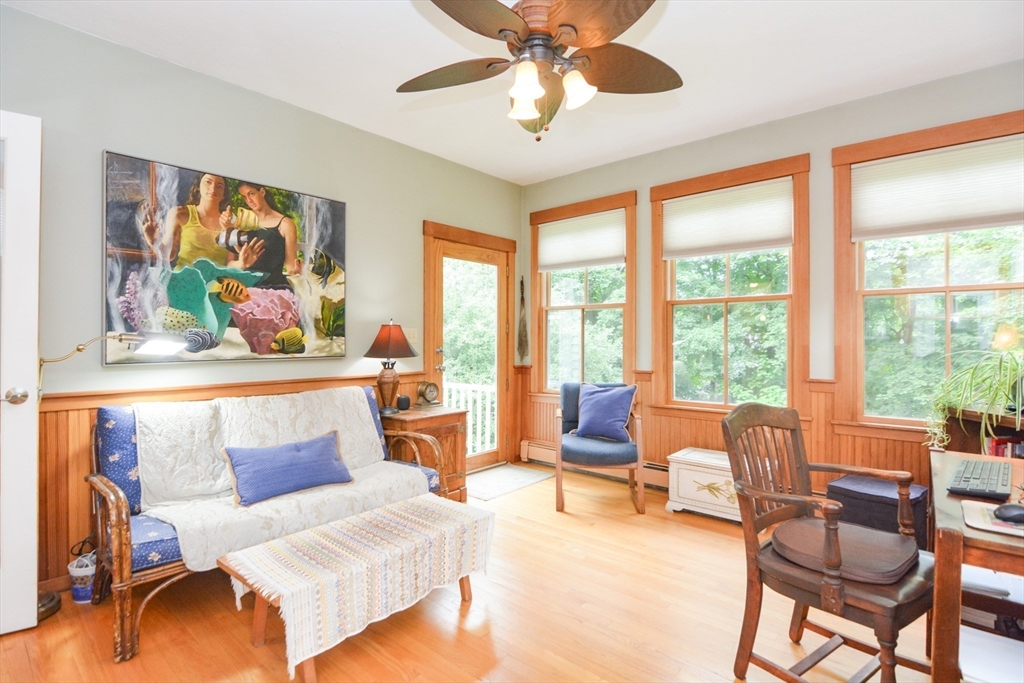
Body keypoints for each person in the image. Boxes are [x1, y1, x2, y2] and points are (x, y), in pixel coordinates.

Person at [143, 173, 264, 270]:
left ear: (223, 194)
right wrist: (153, 241)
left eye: (219, 186)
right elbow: (169, 255)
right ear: (198, 187)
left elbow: (229, 264)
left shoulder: (231, 220)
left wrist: (242, 264)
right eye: (208, 182)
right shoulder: (179, 214)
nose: (213, 188)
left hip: (216, 288)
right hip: (183, 285)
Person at [227, 181, 300, 287]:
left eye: (251, 194)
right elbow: (229, 265)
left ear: (262, 191)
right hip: (244, 288)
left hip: (273, 288)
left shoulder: (285, 224)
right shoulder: (241, 221)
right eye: (244, 197)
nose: (249, 201)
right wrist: (241, 264)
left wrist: (297, 272)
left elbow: (291, 266)